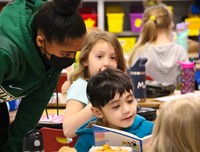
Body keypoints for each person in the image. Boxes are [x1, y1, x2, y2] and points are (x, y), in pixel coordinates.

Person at [0, 0, 86, 151]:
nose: (70, 59)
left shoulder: (52, 60)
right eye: (65, 53)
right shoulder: (5, 53)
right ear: (40, 41)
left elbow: (31, 111)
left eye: (75, 52)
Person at [62, 30, 126, 138]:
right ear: (85, 60)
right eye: (100, 57)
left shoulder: (117, 86)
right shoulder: (81, 86)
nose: (107, 63)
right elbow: (68, 130)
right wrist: (99, 99)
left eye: (113, 57)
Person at [75, 68, 154, 152]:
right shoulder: (87, 138)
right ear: (98, 112)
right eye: (116, 106)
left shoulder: (149, 130)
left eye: (130, 101)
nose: (126, 110)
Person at [128, 4, 189, 85]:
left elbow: (133, 83)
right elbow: (187, 81)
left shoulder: (140, 51)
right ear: (170, 25)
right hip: (174, 97)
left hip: (148, 97)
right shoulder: (180, 51)